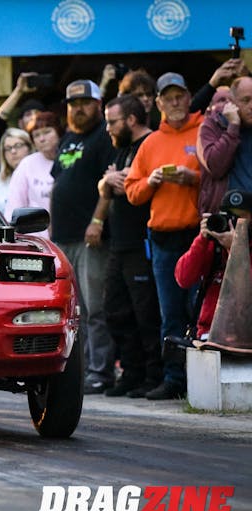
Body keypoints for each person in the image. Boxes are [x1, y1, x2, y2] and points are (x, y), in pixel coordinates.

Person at [125, 72, 204, 400]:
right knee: (169, 312)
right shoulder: (150, 143)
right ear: (157, 103)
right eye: (168, 98)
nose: (174, 102)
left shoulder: (203, 130)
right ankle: (173, 379)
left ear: (189, 97)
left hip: (197, 235)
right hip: (162, 238)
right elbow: (132, 192)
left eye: (179, 96)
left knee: (198, 309)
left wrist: (193, 178)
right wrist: (152, 182)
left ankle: (201, 381)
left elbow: (220, 175)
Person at [51, 79, 117, 394]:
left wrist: (97, 221)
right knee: (73, 309)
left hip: (89, 236)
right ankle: (80, 368)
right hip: (63, 237)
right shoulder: (68, 139)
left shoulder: (104, 136)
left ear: (98, 105)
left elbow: (110, 184)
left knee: (95, 307)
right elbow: (60, 182)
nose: (78, 109)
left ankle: (101, 371)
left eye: (85, 103)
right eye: (73, 104)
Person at [96, 95, 162, 398]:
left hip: (142, 242)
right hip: (118, 243)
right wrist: (108, 181)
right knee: (115, 310)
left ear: (131, 120)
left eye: (112, 122)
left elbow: (134, 184)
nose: (108, 128)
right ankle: (131, 373)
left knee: (145, 312)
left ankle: (153, 375)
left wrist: (121, 181)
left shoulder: (150, 143)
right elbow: (109, 183)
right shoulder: (121, 147)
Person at [174, 190, 252, 339]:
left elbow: (246, 291)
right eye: (229, 216)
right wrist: (202, 239)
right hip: (209, 333)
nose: (234, 222)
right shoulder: (213, 245)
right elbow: (183, 278)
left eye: (241, 217)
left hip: (245, 335)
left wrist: (236, 249)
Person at [197, 76, 252, 214]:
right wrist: (233, 127)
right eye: (246, 100)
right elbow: (215, 168)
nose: (251, 106)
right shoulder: (213, 124)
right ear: (231, 103)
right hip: (225, 214)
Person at [4, 111, 62, 238]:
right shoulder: (27, 164)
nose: (42, 139)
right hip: (37, 240)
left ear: (59, 132)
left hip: (70, 236)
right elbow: (14, 208)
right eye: (36, 135)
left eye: (47, 132)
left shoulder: (70, 158)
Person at [0, 127, 33, 214]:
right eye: (8, 148)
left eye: (18, 145)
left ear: (29, 147)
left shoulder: (41, 173)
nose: (13, 151)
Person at [0, 72, 47, 143]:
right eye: (28, 114)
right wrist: (19, 90)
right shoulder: (14, 143)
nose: (33, 117)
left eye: (38, 114)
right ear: (20, 123)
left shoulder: (51, 139)